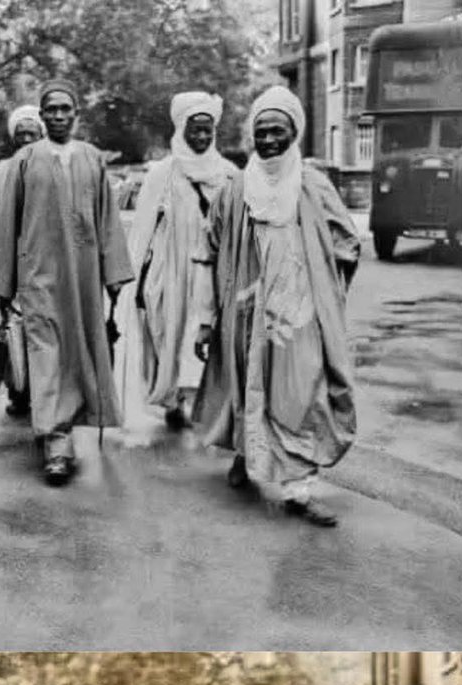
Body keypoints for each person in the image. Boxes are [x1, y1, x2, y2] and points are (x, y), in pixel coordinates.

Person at [193, 86, 361, 527]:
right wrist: (207, 319)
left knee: (301, 394)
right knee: (245, 385)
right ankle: (246, 455)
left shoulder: (313, 185)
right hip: (245, 310)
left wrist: (328, 297)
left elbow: (346, 244)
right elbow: (208, 251)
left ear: (295, 132)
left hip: (299, 315)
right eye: (261, 131)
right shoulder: (234, 189)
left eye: (278, 131)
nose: (268, 140)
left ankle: (299, 491)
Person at [0, 80, 134, 485]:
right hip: (38, 278)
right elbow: (7, 224)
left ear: (77, 114)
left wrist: (114, 274)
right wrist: (1, 284)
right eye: (52, 110)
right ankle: (56, 444)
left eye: (66, 109)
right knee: (46, 356)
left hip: (83, 280)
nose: (59, 116)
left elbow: (108, 221)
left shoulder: (92, 159)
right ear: (42, 115)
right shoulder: (26, 161)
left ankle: (65, 425)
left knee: (79, 355)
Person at [116, 92, 237, 436]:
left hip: (213, 270)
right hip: (171, 270)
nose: (201, 137)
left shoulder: (229, 174)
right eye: (194, 130)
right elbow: (143, 231)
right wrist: (136, 278)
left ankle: (204, 400)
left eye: (207, 131)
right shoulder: (163, 174)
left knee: (207, 333)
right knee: (169, 331)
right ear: (181, 129)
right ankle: (173, 400)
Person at [0, 105, 45, 419]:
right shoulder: (2, 172)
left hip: (47, 267)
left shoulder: (55, 167)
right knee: (13, 330)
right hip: (13, 268)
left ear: (42, 134)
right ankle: (18, 390)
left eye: (33, 133)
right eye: (21, 134)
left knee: (46, 332)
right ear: (13, 138)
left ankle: (46, 392)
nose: (27, 139)